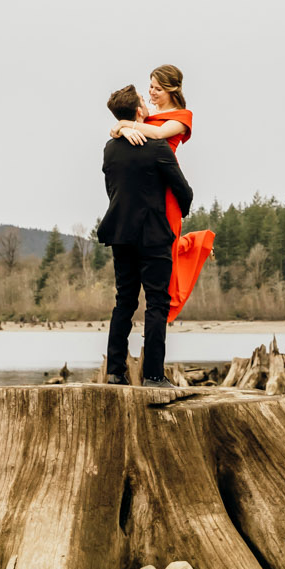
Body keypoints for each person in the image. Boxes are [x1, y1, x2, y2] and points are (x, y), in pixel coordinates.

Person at [97, 83, 193, 387]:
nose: (147, 101)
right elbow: (184, 191)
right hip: (153, 235)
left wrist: (121, 129)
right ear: (140, 111)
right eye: (143, 98)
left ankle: (115, 371)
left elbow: (112, 189)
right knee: (156, 303)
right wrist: (181, 210)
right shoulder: (157, 148)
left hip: (120, 234)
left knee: (124, 300)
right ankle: (153, 375)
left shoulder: (110, 148)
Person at [109, 64, 216, 320]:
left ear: (172, 89)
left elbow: (156, 134)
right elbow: (128, 129)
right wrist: (122, 128)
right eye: (150, 87)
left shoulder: (181, 117)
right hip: (144, 188)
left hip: (166, 185)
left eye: (157, 88)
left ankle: (198, 245)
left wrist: (124, 124)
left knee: (164, 244)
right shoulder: (146, 116)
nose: (152, 92)